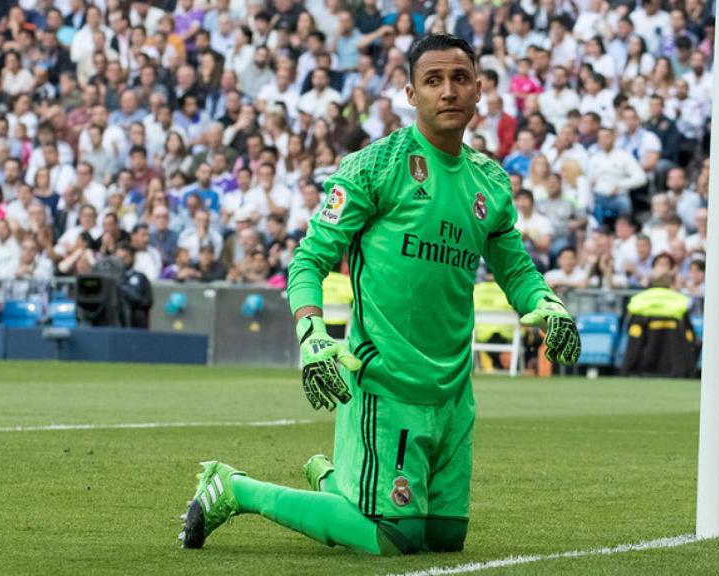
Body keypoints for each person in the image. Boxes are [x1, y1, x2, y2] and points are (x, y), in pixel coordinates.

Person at [179, 34, 581, 555]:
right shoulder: (375, 167)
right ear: (411, 94)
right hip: (385, 380)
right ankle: (234, 488)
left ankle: (336, 484)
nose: (448, 91)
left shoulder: (491, 184)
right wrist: (311, 332)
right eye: (433, 80)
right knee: (394, 537)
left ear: (480, 90)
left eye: (460, 79)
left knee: (444, 538)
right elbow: (308, 260)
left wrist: (546, 303)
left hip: (454, 388)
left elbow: (517, 270)